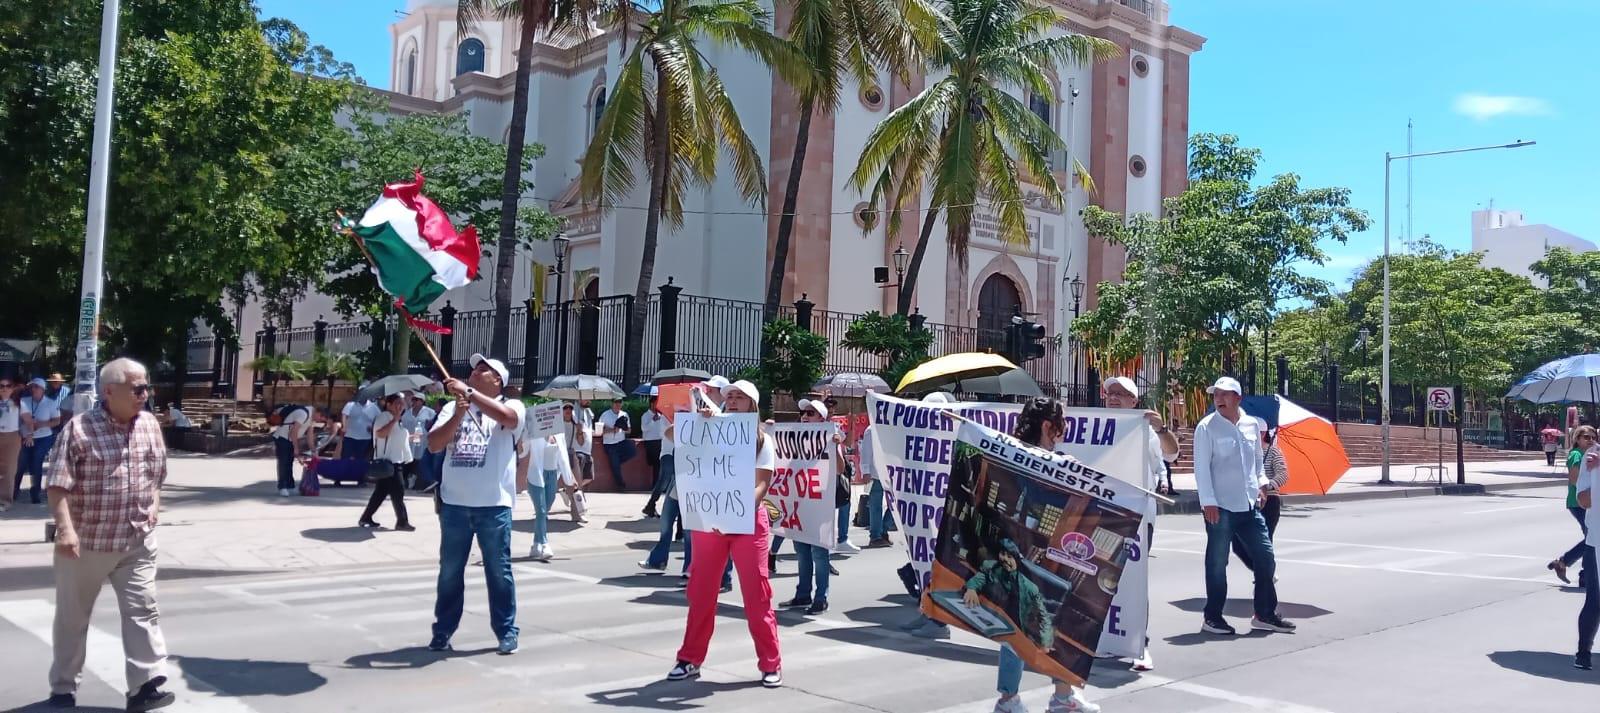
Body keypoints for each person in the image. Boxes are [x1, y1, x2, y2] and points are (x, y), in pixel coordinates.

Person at [43, 358, 175, 712]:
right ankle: (63, 689)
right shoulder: (80, 429)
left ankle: (145, 686)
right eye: (137, 389)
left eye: (146, 387)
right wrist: (65, 530)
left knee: (143, 611)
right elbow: (57, 485)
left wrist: (154, 507)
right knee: (73, 619)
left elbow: (157, 475)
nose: (144, 395)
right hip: (87, 543)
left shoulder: (149, 424)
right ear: (109, 391)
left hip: (137, 540)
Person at [668, 379, 783, 688]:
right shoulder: (708, 427)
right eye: (729, 396)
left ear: (752, 405)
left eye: (739, 397)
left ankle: (770, 663)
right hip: (710, 523)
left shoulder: (761, 440)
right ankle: (690, 659)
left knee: (757, 596)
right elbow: (671, 435)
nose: (732, 400)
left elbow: (762, 483)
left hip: (746, 523)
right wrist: (697, 423)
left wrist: (738, 510)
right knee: (701, 593)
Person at [987, 397, 1097, 713]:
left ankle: (1016, 698)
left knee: (1018, 624)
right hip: (1037, 554)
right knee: (1048, 621)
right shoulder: (1056, 463)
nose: (1065, 429)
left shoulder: (1012, 454)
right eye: (1061, 422)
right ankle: (1058, 696)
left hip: (1019, 550)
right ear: (1049, 426)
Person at [425, 353, 526, 655]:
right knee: (450, 572)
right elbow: (434, 444)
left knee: (498, 571)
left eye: (484, 370)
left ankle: (507, 631)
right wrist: (458, 413)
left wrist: (469, 394)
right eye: (474, 370)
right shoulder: (450, 408)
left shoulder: (513, 405)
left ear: (498, 380)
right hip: (455, 504)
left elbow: (509, 421)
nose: (475, 372)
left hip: (493, 505)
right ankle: (443, 631)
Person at [1194, 376, 1295, 636]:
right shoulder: (1206, 428)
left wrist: (1262, 485)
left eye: (1225, 394)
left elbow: (1256, 463)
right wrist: (1208, 501)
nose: (1219, 399)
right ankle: (1213, 616)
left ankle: (1264, 613)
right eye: (1216, 394)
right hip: (1220, 507)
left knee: (1265, 557)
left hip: (1250, 506)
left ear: (1238, 398)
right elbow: (1201, 469)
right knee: (1217, 563)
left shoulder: (1250, 425)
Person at [1099, 376, 1179, 672]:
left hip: (1137, 516)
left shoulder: (1146, 431)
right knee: (1101, 578)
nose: (1114, 398)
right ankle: (1107, 641)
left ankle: (1138, 645)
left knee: (1134, 580)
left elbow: (1171, 455)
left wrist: (1161, 427)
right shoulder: (1097, 426)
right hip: (1102, 516)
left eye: (1122, 394)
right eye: (1110, 393)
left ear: (1134, 401)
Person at [782, 398, 845, 615]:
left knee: (819, 553)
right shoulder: (795, 438)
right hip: (800, 503)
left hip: (819, 505)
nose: (805, 417)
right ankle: (803, 594)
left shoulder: (831, 437)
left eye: (810, 413)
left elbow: (839, 470)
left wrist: (836, 447)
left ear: (822, 418)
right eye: (804, 413)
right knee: (802, 552)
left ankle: (821, 597)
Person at [1232, 422, 1286, 573]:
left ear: (1261, 433)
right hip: (1246, 502)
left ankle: (1265, 576)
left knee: (1263, 542)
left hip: (1269, 502)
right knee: (1237, 544)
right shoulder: (1244, 453)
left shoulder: (1273, 452)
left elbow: (1283, 474)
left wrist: (1265, 486)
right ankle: (1263, 572)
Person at [359, 394, 414, 531]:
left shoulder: (396, 419)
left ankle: (366, 517)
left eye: (402, 403)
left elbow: (396, 437)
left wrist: (411, 436)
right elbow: (380, 434)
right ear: (388, 404)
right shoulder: (384, 417)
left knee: (381, 492)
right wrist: (394, 420)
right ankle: (402, 521)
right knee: (398, 491)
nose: (400, 406)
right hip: (389, 462)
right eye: (397, 403)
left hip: (396, 460)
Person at [1552, 426, 1596, 584]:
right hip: (1578, 502)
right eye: (1586, 437)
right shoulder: (1577, 455)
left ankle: (1566, 563)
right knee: (1592, 538)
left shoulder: (1590, 454)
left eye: (1593, 437)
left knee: (1592, 537)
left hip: (1589, 502)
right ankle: (1583, 573)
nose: (1590, 439)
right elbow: (1574, 479)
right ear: (1577, 439)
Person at [519, 428, 570, 562]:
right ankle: (545, 544)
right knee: (541, 511)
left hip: (552, 475)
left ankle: (536, 544)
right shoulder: (535, 434)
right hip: (536, 475)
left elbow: (563, 456)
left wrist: (570, 479)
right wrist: (524, 434)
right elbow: (522, 451)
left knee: (545, 510)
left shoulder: (559, 435)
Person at [18, 377, 62, 505]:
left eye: (36, 387)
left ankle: (35, 493)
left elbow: (57, 421)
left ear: (43, 389)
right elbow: (21, 420)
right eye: (32, 387)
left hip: (43, 438)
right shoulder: (24, 401)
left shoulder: (50, 403)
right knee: (21, 464)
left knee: (36, 464)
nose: (33, 389)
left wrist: (43, 424)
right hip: (25, 437)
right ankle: (13, 491)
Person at [1575, 445, 1598, 670]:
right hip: (1596, 542)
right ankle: (1583, 653)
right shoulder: (1592, 457)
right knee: (1595, 601)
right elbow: (1583, 500)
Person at [266, 403, 314, 497]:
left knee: (289, 462)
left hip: (290, 439)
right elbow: (294, 432)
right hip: (282, 437)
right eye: (322, 419)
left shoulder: (312, 416)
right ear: (319, 414)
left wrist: (313, 450)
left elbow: (310, 434)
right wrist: (296, 449)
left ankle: (290, 486)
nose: (321, 421)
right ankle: (282, 487)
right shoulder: (303, 414)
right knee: (284, 462)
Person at [562, 403, 594, 523]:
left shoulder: (575, 425)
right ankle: (543, 510)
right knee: (549, 486)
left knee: (576, 485)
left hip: (570, 454)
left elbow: (580, 443)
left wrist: (580, 431)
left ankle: (577, 514)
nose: (568, 410)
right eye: (565, 408)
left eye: (570, 408)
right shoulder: (557, 425)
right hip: (557, 455)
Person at [641, 389, 668, 517]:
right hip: (651, 442)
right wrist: (653, 420)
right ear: (652, 404)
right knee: (657, 468)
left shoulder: (662, 415)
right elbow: (644, 428)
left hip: (660, 441)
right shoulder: (646, 416)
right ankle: (654, 490)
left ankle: (652, 502)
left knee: (659, 469)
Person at [599, 399, 632, 490]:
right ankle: (620, 485)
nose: (618, 404)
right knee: (615, 464)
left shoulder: (624, 414)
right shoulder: (605, 415)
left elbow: (629, 430)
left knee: (633, 451)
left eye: (619, 402)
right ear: (612, 403)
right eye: (616, 402)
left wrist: (623, 427)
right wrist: (612, 430)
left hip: (621, 442)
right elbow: (599, 430)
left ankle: (616, 461)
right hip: (610, 444)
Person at [337, 397, 380, 461]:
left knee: (361, 460)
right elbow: (344, 415)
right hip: (350, 437)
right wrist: (344, 426)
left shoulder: (373, 407)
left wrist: (373, 427)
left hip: (365, 438)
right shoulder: (350, 404)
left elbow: (379, 419)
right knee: (346, 458)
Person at [0, 377, 20, 511]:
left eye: (8, 386)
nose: (4, 388)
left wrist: (29, 434)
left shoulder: (18, 403)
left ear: (12, 389)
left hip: (12, 436)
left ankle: (5, 501)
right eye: (2, 386)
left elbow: (27, 420)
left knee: (9, 470)